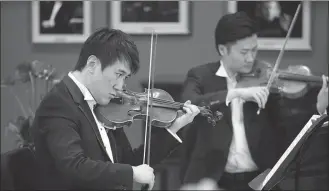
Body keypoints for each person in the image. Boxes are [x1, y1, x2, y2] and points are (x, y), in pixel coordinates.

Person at [31, 27, 200, 190]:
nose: (121, 87)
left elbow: (127, 161)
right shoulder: (59, 104)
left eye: (125, 77)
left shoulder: (103, 105)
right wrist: (132, 173)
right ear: (92, 65)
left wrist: (174, 127)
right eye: (118, 74)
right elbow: (74, 166)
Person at [179, 11, 328, 190]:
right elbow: (189, 103)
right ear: (222, 50)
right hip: (211, 182)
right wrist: (236, 93)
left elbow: (287, 130)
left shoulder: (265, 79)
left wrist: (318, 108)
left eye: (254, 50)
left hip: (258, 182)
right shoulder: (200, 76)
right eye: (244, 52)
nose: (251, 58)